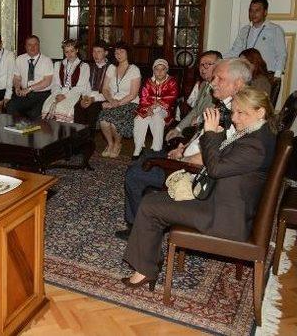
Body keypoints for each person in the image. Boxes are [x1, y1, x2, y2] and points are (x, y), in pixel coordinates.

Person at [121, 86, 276, 289]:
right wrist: (218, 136)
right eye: (234, 112)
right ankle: (148, 262)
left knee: (151, 207)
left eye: (241, 113)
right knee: (153, 200)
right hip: (222, 202)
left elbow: (216, 168)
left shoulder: (256, 145)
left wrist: (211, 134)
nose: (235, 118)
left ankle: (144, 270)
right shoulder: (257, 133)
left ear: (260, 112)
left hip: (224, 218)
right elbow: (223, 160)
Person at [116, 58, 251, 240]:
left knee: (135, 173)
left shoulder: (237, 115)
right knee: (145, 157)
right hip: (187, 158)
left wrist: (181, 160)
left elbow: (212, 158)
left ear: (238, 84)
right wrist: (184, 147)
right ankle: (142, 222)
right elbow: (206, 137)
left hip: (192, 172)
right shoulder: (227, 106)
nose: (212, 82)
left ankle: (138, 229)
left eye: (219, 79)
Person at [165, 50, 222, 143]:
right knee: (171, 137)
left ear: (219, 66)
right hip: (196, 127)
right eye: (200, 64)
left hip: (209, 132)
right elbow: (196, 110)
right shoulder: (203, 84)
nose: (202, 68)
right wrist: (178, 129)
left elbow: (216, 113)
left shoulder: (221, 88)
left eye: (207, 64)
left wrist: (199, 119)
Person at [98, 42, 141, 158]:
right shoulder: (111, 68)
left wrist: (115, 104)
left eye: (121, 51)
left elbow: (133, 94)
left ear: (128, 53)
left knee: (114, 123)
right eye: (116, 52)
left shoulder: (134, 70)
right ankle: (110, 144)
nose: (118, 54)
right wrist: (111, 100)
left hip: (129, 103)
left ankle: (117, 144)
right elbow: (105, 89)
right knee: (103, 121)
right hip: (113, 101)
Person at [227, 0, 287, 76]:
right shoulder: (244, 30)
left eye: (257, 10)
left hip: (266, 75)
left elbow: (281, 54)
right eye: (251, 10)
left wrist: (277, 75)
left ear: (265, 12)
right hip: (246, 73)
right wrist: (219, 60)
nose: (253, 13)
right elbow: (235, 51)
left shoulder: (275, 30)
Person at [133, 59, 179, 157]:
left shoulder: (171, 82)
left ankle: (156, 148)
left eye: (162, 69)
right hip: (148, 107)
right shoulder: (149, 82)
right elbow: (144, 97)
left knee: (157, 117)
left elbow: (172, 97)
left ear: (167, 70)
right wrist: (148, 108)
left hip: (164, 109)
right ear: (153, 70)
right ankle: (138, 147)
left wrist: (157, 104)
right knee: (139, 119)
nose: (159, 72)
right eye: (157, 69)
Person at [41, 39, 91, 122]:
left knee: (61, 108)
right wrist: (58, 94)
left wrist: (65, 96)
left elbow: (81, 87)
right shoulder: (58, 65)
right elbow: (55, 83)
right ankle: (51, 133)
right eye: (66, 52)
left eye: (72, 51)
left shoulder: (84, 66)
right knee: (47, 106)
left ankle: (64, 132)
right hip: (59, 92)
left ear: (77, 50)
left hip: (74, 94)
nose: (69, 54)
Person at [7, 35, 54, 119]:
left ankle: (30, 130)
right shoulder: (20, 59)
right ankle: (15, 130)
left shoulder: (47, 61)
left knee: (34, 114)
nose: (32, 47)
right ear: (25, 46)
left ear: (39, 46)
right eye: (29, 45)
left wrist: (29, 89)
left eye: (35, 44)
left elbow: (47, 81)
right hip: (25, 94)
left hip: (42, 94)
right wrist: (17, 87)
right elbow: (17, 78)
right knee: (10, 105)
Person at [74, 41, 111, 130]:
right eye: (94, 51)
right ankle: (79, 139)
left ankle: (90, 140)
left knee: (92, 109)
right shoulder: (89, 67)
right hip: (88, 96)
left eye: (99, 51)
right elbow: (85, 84)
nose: (95, 54)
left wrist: (93, 99)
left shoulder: (111, 68)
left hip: (103, 98)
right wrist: (85, 97)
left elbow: (109, 91)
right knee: (78, 107)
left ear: (106, 53)